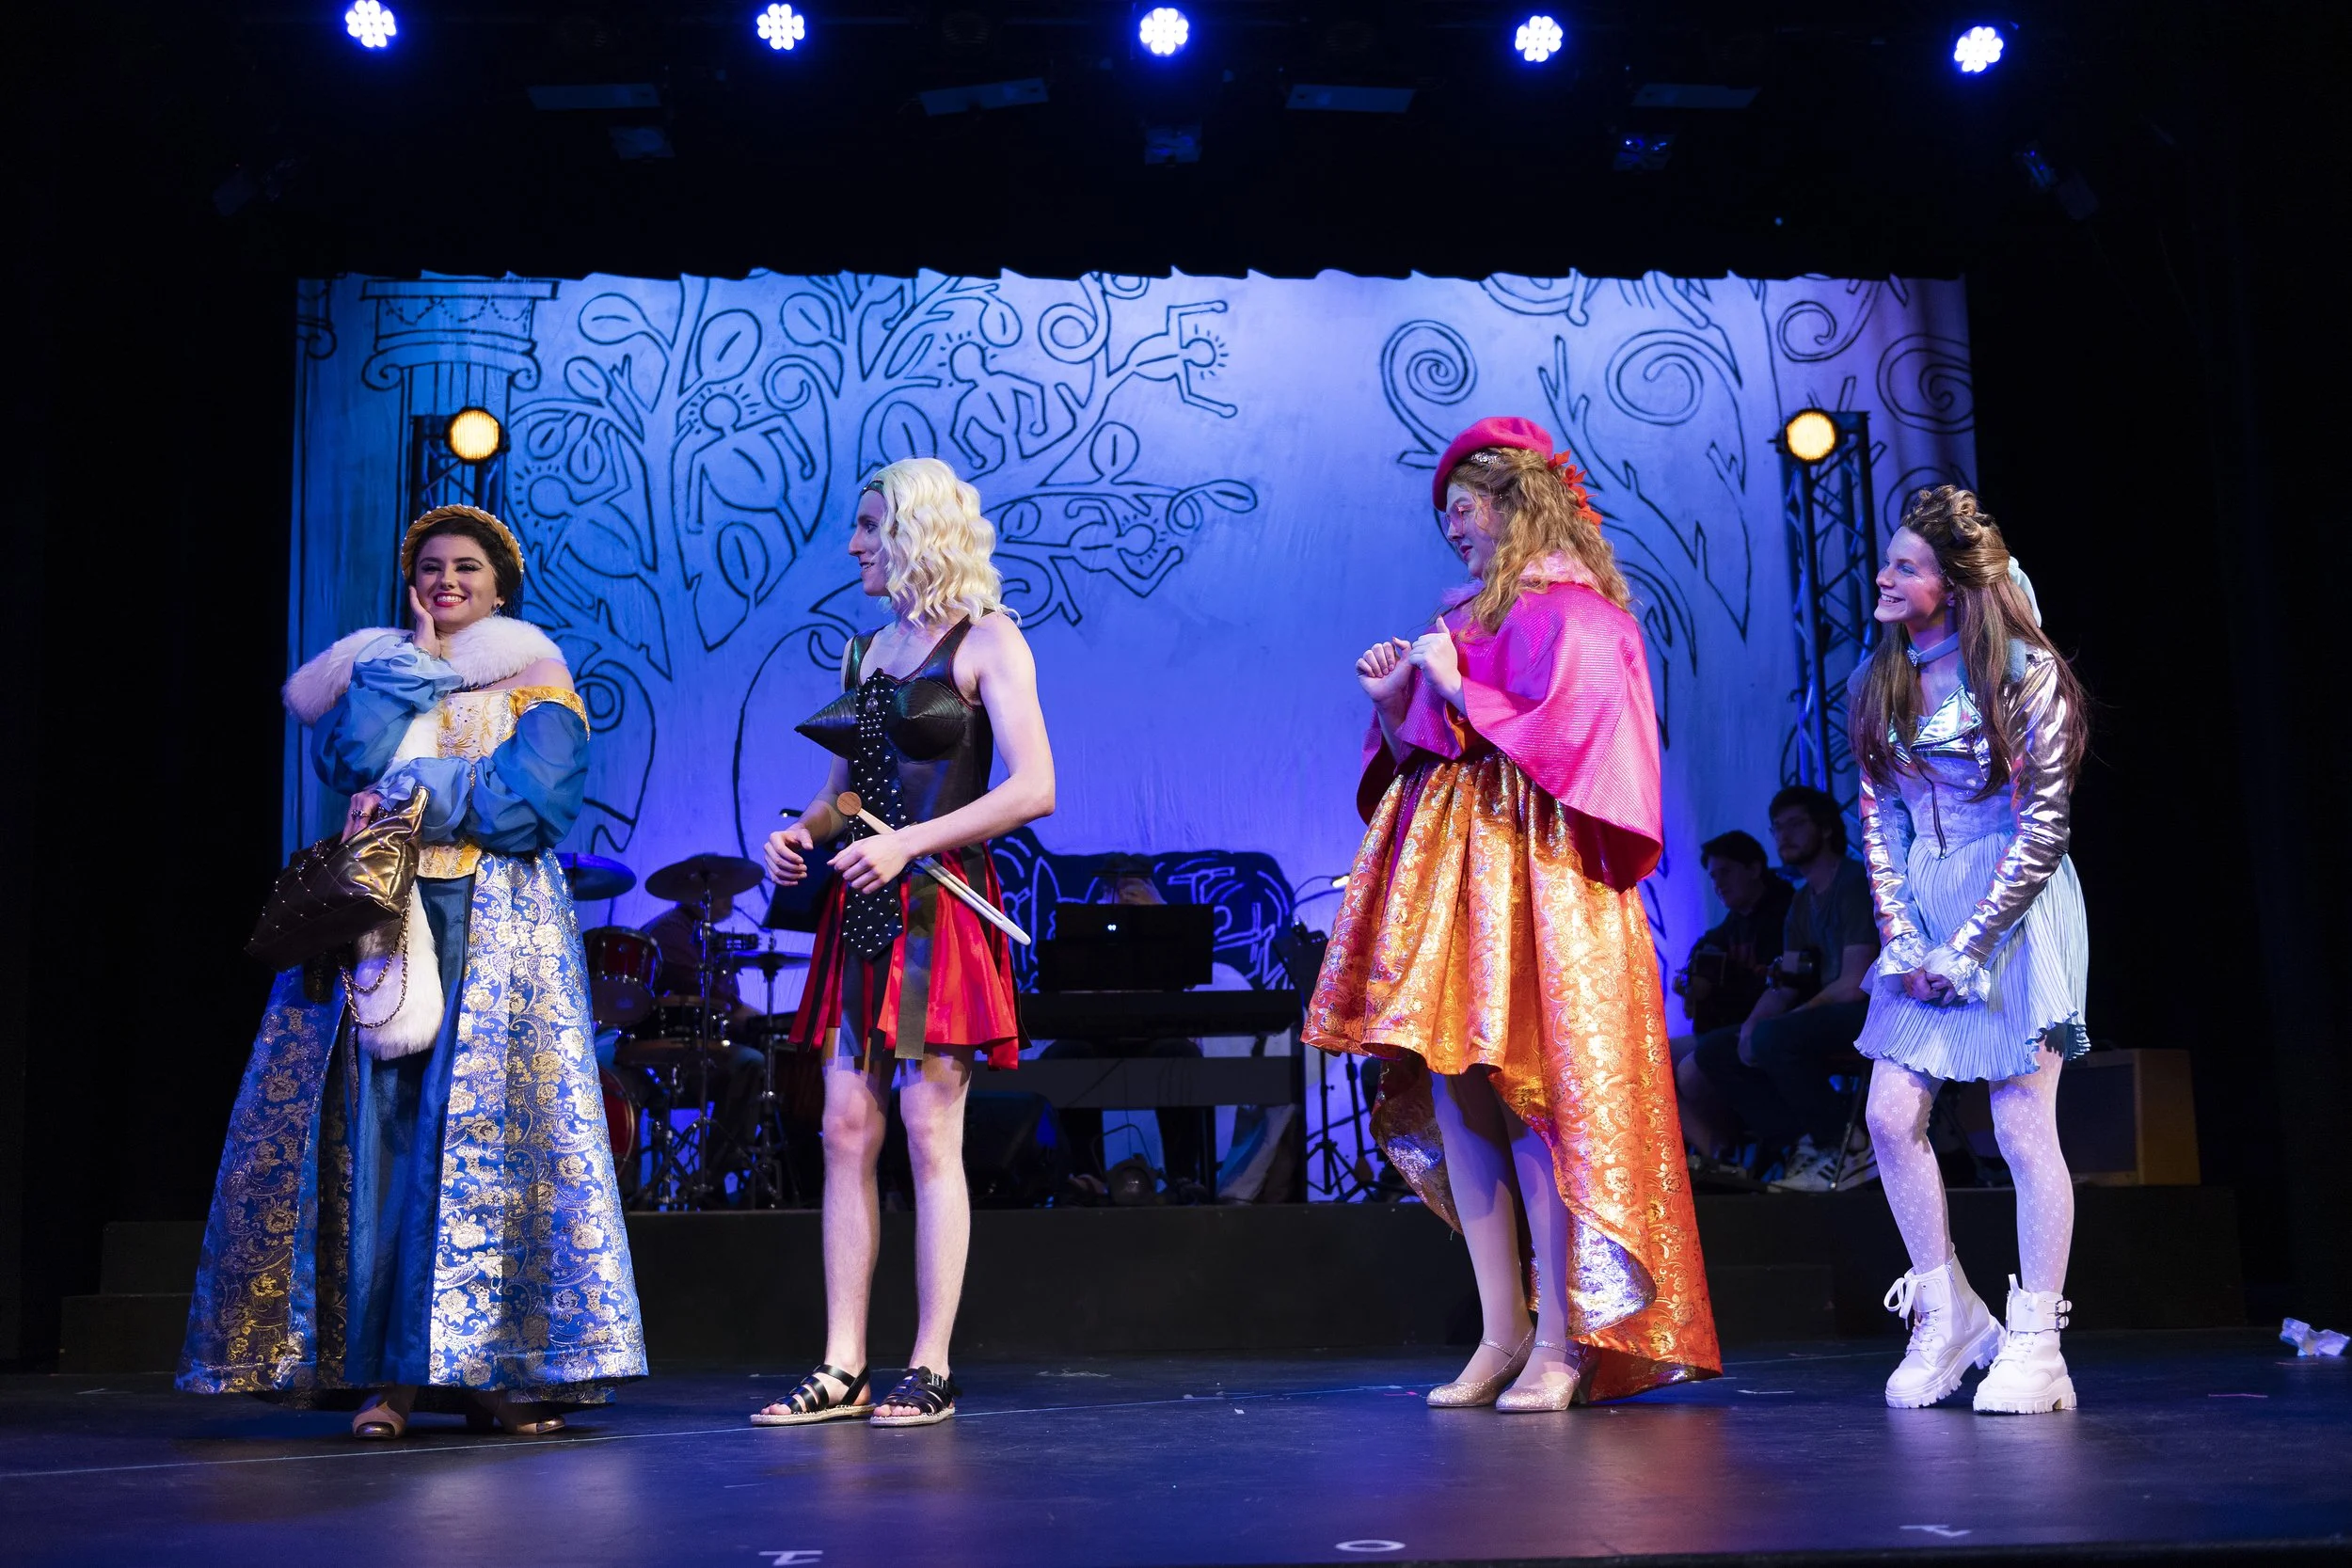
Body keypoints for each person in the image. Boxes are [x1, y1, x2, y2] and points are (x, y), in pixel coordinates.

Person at [179, 504, 646, 1438]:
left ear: (499, 585)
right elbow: (342, 756)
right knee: (376, 1142)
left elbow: (533, 806)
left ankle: (493, 1374)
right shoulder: (384, 667)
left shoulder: (537, 671)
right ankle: (383, 1379)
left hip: (492, 925)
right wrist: (410, 672)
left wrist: (412, 787)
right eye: (431, 567)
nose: (447, 581)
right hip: (381, 919)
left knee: (482, 1144)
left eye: (467, 566)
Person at [1307, 416, 1720, 1410]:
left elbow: (1585, 747)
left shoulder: (1585, 618)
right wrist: (1396, 703)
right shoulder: (1462, 617)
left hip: (1541, 867)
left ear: (1512, 501)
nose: (1452, 528)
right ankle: (1502, 1332)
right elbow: (1429, 747)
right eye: (1446, 515)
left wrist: (1463, 689)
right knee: (1459, 1081)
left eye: (1462, 507)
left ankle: (1564, 1343)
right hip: (1459, 869)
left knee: (1534, 1086)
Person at [755, 457, 1054, 1430]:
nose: (854, 545)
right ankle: (843, 1363)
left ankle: (930, 1363)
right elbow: (844, 794)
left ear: (917, 528)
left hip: (941, 909)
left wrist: (908, 844)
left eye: (870, 525)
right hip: (865, 909)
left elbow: (1034, 787)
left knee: (931, 1134)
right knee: (844, 1130)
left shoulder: (989, 638)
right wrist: (804, 834)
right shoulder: (866, 651)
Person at [1850, 485, 2090, 1414]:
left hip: (2014, 904)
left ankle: (2038, 1342)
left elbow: (2043, 828)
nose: (1884, 575)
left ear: (1950, 585)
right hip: (1926, 903)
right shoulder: (1878, 679)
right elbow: (1879, 821)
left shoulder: (2023, 672)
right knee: (1888, 1116)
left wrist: (1969, 945)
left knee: (2021, 1123)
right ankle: (1947, 1310)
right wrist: (1904, 934)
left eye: (1904, 565)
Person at [1692, 785, 1881, 1191]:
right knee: (1715, 1050)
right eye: (1777, 828)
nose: (1784, 836)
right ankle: (1807, 1141)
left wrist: (1784, 1021)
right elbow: (1787, 984)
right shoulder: (1801, 902)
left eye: (1795, 824)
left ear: (1825, 828)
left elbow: (1854, 984)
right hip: (1831, 1012)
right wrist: (1751, 1026)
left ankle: (1848, 1146)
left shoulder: (1853, 883)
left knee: (1775, 1037)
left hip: (1874, 1011)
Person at [1033, 857, 1209, 1196]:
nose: (1125, 895)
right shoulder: (1083, 927)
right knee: (1067, 1056)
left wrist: (1157, 916)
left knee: (1181, 1056)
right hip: (1092, 1033)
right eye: (1116, 888)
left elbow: (1187, 978)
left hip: (1154, 1035)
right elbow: (1062, 986)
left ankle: (1184, 1177)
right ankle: (1085, 1176)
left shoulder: (1170, 929)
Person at [1670, 830, 1792, 1160]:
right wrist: (1692, 986)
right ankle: (1713, 1153)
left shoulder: (1787, 914)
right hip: (1726, 1030)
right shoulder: (1726, 930)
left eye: (1725, 872)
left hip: (1770, 1026)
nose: (1718, 884)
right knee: (1650, 1058)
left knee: (1692, 1069)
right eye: (1712, 877)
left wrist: (1717, 988)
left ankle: (1727, 1154)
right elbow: (1702, 979)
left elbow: (1781, 988)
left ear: (1753, 869)